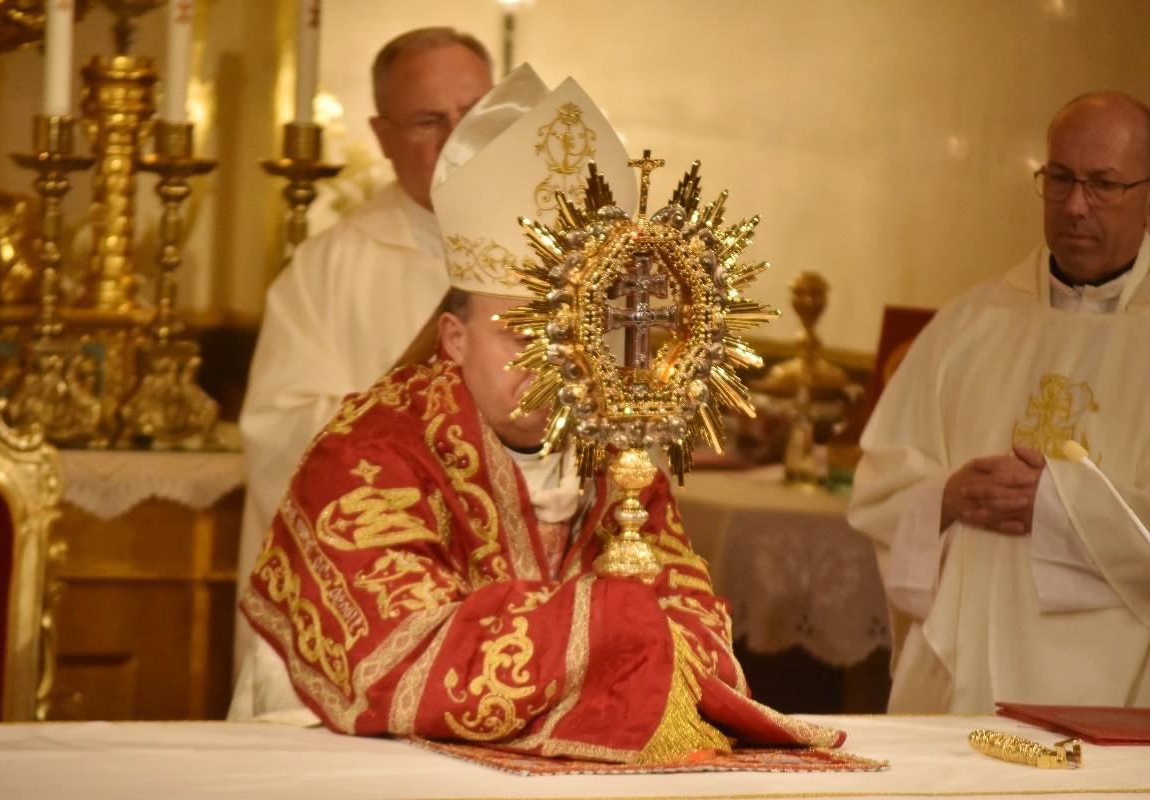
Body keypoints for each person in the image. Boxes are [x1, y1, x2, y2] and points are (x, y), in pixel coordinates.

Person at [237, 65, 844, 762]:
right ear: (455, 339)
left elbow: (698, 636)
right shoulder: (368, 454)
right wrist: (611, 631)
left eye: (570, 331)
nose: (548, 362)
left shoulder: (617, 458)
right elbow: (398, 658)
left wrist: (614, 644)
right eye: (519, 334)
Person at [848, 91, 1150, 713]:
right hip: (958, 680)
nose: (1074, 205)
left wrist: (1066, 504)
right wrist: (947, 495)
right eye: (1059, 178)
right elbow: (879, 488)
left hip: (1113, 689)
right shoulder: (968, 325)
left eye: (1103, 185)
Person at [232, 28, 494, 686]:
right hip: (373, 599)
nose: (456, 140)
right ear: (381, 136)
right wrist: (424, 425)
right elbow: (279, 432)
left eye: (475, 117)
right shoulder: (329, 267)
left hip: (514, 601)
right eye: (430, 120)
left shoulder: (557, 256)